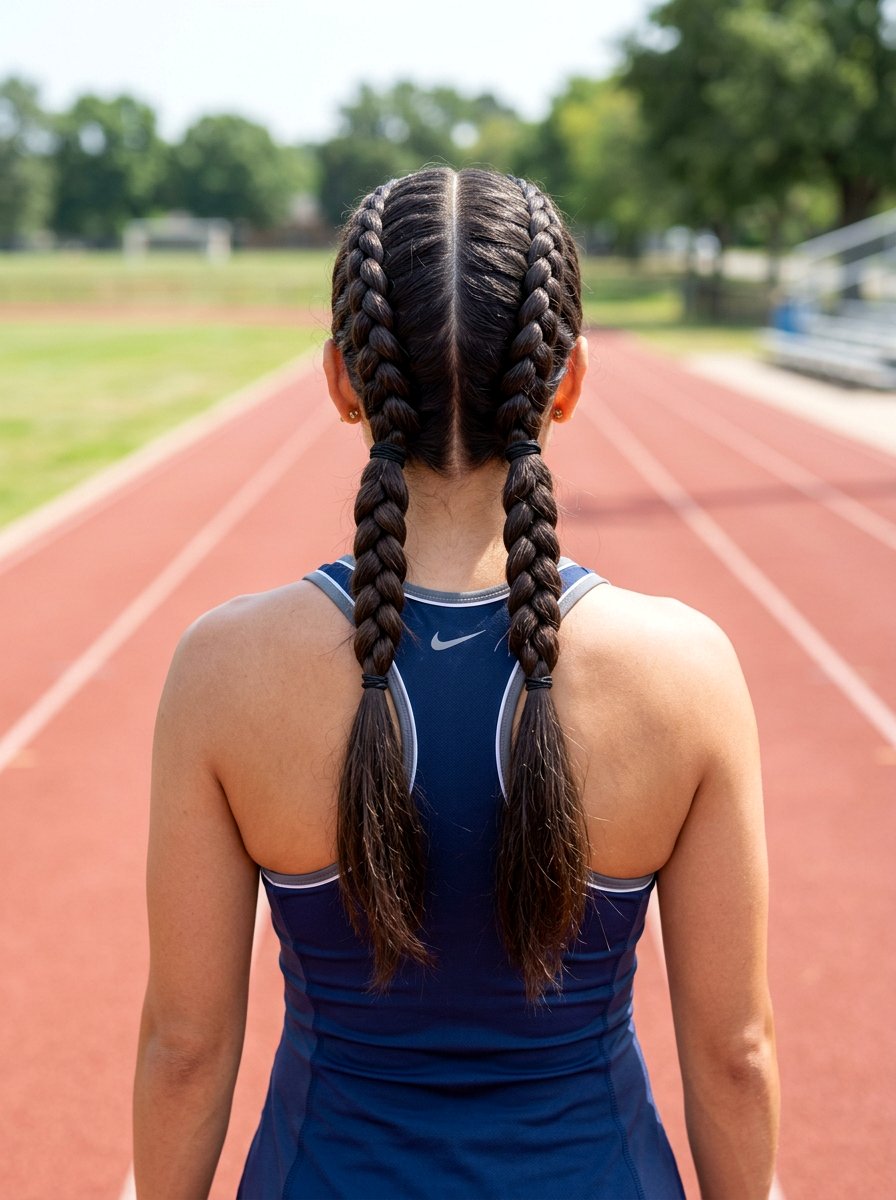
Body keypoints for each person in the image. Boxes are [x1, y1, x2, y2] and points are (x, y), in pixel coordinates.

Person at [132, 167, 779, 1199]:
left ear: (342, 381)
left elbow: (185, 1047)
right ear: (565, 381)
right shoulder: (683, 672)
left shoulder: (223, 669)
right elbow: (733, 1054)